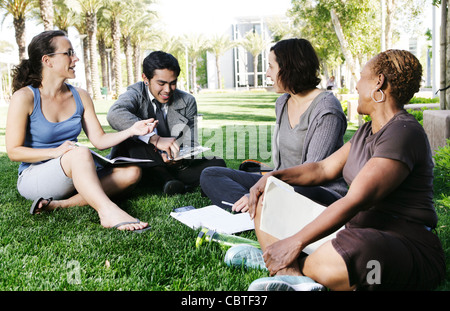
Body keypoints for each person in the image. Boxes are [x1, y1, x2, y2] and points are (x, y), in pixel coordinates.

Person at [233, 49, 445, 291]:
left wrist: (295, 242)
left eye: (362, 77)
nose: (356, 85)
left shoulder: (403, 132)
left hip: (401, 245)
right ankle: (292, 274)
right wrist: (272, 177)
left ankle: (285, 265)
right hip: (351, 234)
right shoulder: (367, 131)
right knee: (266, 196)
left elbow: (356, 200)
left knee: (361, 249)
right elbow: (322, 168)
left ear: (379, 83)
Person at [6, 30, 154, 232]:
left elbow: (99, 140)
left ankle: (60, 205)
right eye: (68, 53)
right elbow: (14, 151)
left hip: (75, 170)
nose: (75, 59)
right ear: (47, 61)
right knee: (79, 152)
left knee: (132, 173)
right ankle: (107, 211)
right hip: (35, 177)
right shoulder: (24, 97)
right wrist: (57, 152)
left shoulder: (80, 95)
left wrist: (133, 130)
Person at [200, 38, 348, 212]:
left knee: (296, 191)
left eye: (271, 66)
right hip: (280, 183)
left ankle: (257, 206)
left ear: (289, 69)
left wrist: (267, 189)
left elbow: (313, 172)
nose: (267, 74)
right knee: (210, 174)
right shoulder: (283, 102)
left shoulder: (326, 109)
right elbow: (280, 166)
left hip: (315, 190)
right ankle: (256, 207)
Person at [107, 51, 226, 195]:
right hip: (141, 161)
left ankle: (167, 181)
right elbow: (114, 113)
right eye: (161, 83)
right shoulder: (136, 93)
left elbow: (191, 142)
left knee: (217, 163)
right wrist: (154, 139)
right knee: (133, 140)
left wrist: (179, 159)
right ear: (145, 78)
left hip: (173, 164)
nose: (167, 90)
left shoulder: (187, 101)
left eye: (173, 83)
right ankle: (167, 180)